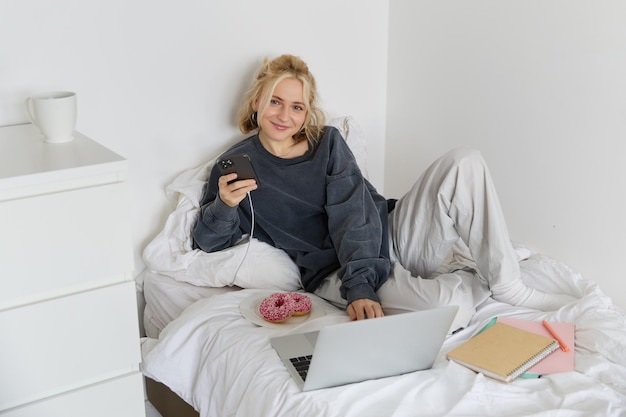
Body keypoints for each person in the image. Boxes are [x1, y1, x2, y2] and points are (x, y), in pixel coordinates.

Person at [192, 54, 575, 329]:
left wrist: (362, 283)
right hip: (334, 270)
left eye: (296, 106)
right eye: (275, 101)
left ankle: (507, 282)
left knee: (465, 161)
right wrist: (226, 204)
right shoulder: (236, 164)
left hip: (388, 231)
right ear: (257, 101)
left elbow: (351, 213)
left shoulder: (328, 143)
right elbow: (207, 242)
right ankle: (476, 273)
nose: (284, 115)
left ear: (307, 113)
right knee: (451, 307)